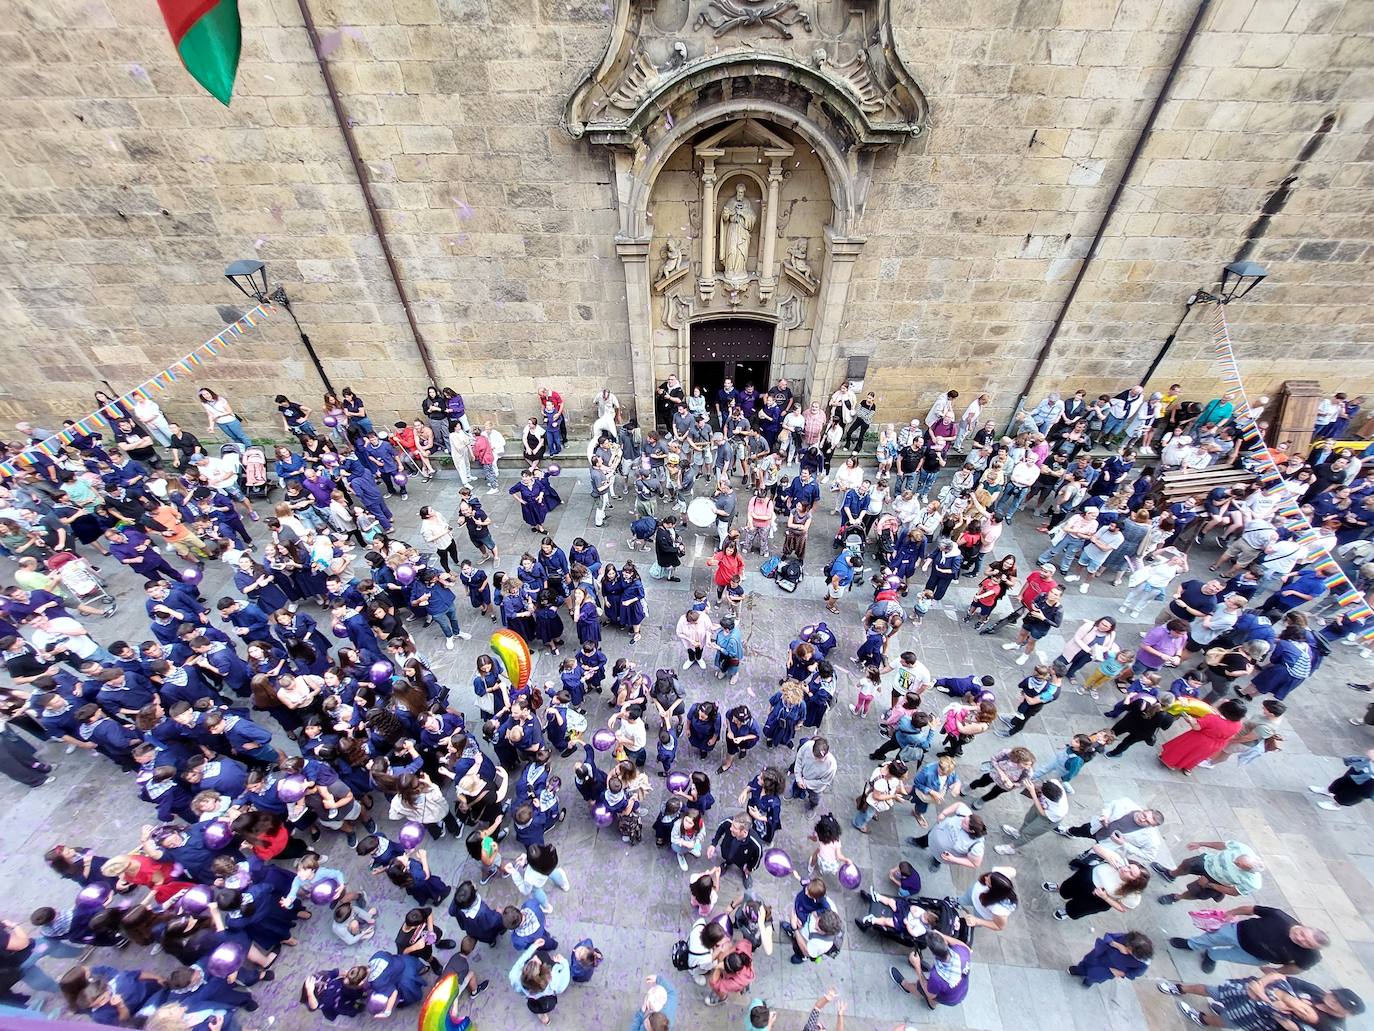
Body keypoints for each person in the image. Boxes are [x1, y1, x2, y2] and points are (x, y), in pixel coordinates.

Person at [1169, 906, 1327, 975]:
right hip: (1237, 932)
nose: (1301, 940)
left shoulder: (1311, 956)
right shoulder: (1280, 917)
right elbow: (1251, 909)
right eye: (1303, 935)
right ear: (1305, 926)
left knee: (1227, 955)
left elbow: (1297, 968)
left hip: (1256, 956)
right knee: (1212, 938)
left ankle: (1211, 956)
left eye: (1308, 944)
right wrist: (1231, 913)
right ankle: (1191, 944)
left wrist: (1276, 972)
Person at [1041, 849, 1150, 922]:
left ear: (1134, 882)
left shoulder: (1133, 895)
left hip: (1097, 897)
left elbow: (1122, 908)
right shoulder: (1120, 862)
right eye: (1129, 867)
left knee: (1078, 907)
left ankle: (1067, 911)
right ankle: (1060, 888)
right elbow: (1097, 847)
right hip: (1087, 877)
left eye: (1131, 873)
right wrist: (1108, 857)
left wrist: (1105, 897)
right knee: (1067, 888)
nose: (1126, 869)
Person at [1152, 839, 1264, 906]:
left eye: (1238, 865)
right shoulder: (1242, 848)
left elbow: (1233, 892)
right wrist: (1201, 844)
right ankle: (1171, 875)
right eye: (1237, 859)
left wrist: (1209, 885)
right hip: (1208, 862)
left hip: (1217, 881)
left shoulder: (1252, 883)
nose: (1234, 862)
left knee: (1195, 892)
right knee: (1187, 864)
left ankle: (1177, 897)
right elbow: (1223, 845)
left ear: (1248, 870)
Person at [1160, 698, 1248, 773]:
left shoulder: (1212, 718)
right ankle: (1187, 767)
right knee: (1197, 755)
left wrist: (1190, 719)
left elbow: (1196, 727)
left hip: (1200, 739)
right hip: (1216, 744)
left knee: (1183, 749)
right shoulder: (1238, 724)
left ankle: (1169, 761)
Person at [888, 930, 971, 1009]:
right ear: (945, 942)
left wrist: (917, 966)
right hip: (962, 991)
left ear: (933, 953)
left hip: (949, 998)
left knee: (920, 986)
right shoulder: (962, 952)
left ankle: (905, 985)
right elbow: (965, 946)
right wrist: (940, 936)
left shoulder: (937, 977)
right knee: (939, 994)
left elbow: (930, 994)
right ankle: (932, 1004)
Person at [1069, 931, 1154, 988]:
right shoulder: (1128, 939)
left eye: (1130, 950)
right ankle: (1079, 970)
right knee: (1086, 962)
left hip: (1109, 969)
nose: (1127, 949)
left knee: (1095, 976)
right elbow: (1108, 936)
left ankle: (1088, 981)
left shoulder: (1143, 963)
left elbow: (1135, 973)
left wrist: (1120, 973)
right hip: (1101, 954)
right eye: (1128, 946)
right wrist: (1116, 944)